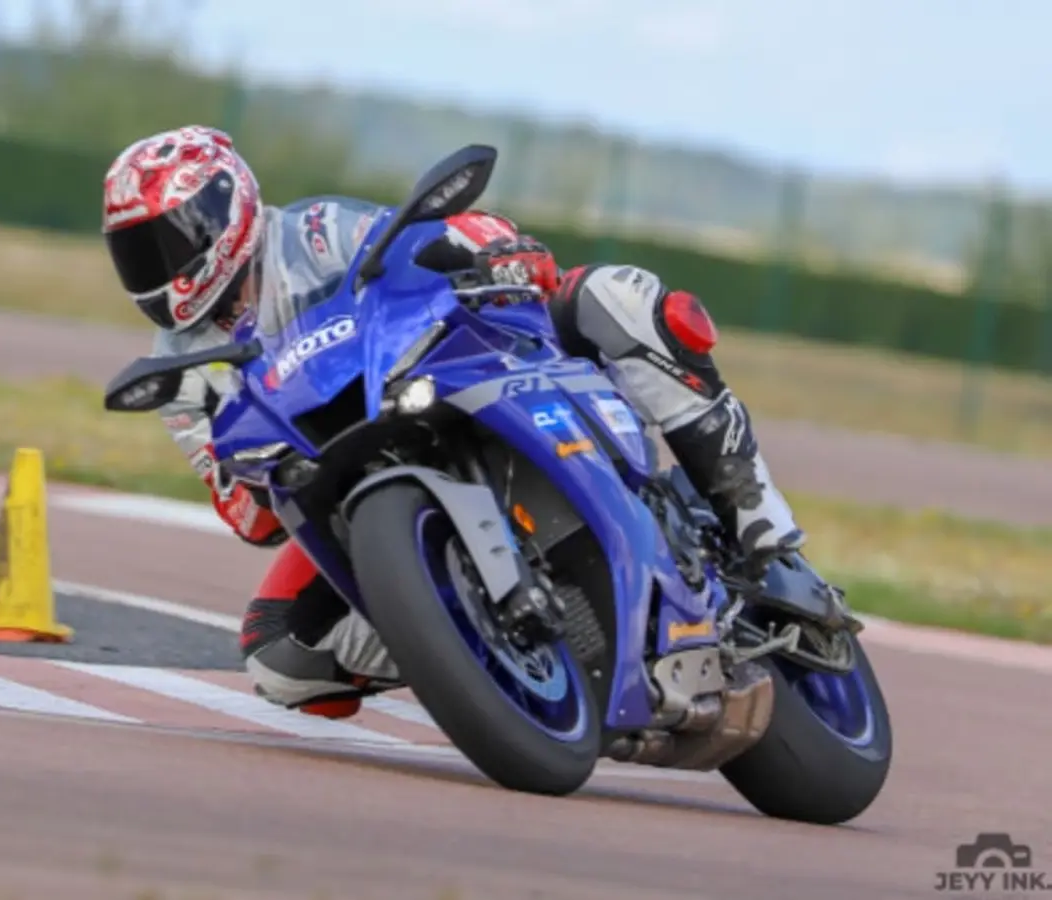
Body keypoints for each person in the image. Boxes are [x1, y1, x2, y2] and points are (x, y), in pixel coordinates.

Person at [100, 125, 806, 720]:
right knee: (279, 656)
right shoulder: (179, 373)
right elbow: (249, 518)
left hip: (441, 375)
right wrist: (251, 472)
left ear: (226, 210)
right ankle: (476, 651)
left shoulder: (311, 233)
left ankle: (762, 531)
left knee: (620, 298)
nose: (153, 266)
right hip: (344, 476)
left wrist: (494, 246)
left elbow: (423, 234)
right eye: (135, 250)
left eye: (164, 240)